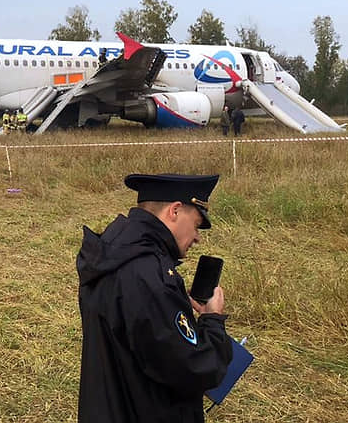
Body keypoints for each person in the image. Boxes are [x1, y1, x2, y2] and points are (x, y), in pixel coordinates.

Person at [77, 173, 233, 422]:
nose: (197, 237)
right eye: (195, 224)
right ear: (175, 211)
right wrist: (212, 320)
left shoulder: (112, 252)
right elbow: (194, 369)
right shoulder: (150, 277)